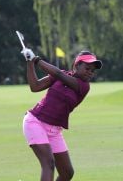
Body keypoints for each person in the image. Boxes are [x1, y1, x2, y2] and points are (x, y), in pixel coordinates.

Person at [21, 48, 102, 181]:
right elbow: (34, 86)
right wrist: (30, 62)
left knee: (67, 173)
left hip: (54, 131)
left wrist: (36, 59)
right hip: (35, 122)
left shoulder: (83, 86)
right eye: (87, 68)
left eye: (93, 71)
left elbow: (59, 74)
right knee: (48, 164)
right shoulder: (61, 75)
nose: (90, 73)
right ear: (76, 65)